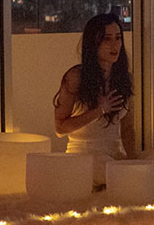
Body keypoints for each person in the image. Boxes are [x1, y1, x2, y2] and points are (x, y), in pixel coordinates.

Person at [54, 13, 136, 160]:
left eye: (118, 38)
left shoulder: (125, 78)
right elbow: (60, 128)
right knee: (106, 165)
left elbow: (128, 129)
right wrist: (99, 110)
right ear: (94, 42)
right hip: (85, 157)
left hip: (115, 157)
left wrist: (134, 164)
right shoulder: (75, 77)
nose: (114, 45)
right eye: (107, 39)